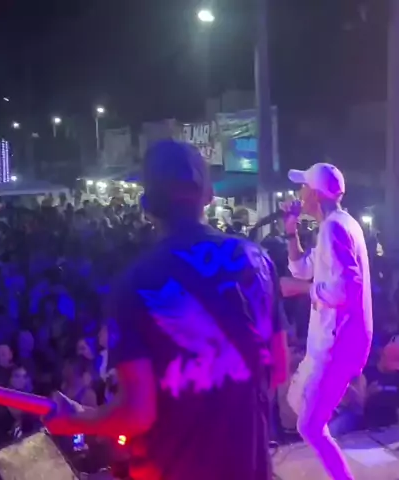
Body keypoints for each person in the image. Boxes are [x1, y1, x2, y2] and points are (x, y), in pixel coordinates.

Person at [44, 140, 289, 480]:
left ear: (147, 205)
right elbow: (278, 370)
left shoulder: (134, 283)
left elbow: (137, 413)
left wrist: (77, 419)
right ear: (208, 195)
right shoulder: (256, 259)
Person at [281, 162, 372, 480]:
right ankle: (345, 408)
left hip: (337, 343)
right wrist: (291, 230)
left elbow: (346, 288)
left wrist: (300, 289)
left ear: (315, 195)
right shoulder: (336, 225)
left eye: (303, 187)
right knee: (298, 404)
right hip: (332, 340)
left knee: (309, 425)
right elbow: (303, 268)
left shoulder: (334, 228)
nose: (299, 193)